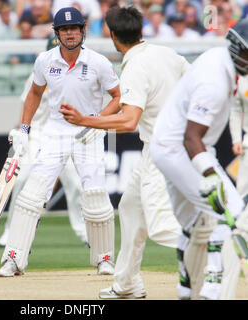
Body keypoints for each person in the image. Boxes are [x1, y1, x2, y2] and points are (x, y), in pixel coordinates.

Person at [60, 5, 187, 299]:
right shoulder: (166, 54)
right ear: (140, 30)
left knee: (161, 228)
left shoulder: (134, 67)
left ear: (113, 35)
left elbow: (129, 121)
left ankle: (217, 245)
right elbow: (184, 86)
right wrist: (94, 120)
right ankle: (127, 283)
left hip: (162, 152)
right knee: (130, 208)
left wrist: (86, 120)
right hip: (168, 147)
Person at [0, 6, 120, 277]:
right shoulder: (45, 61)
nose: (70, 34)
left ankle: (105, 259)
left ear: (82, 30)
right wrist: (24, 130)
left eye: (74, 28)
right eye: (65, 30)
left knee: (95, 195)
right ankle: (13, 259)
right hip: (55, 132)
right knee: (32, 195)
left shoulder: (98, 62)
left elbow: (118, 96)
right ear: (57, 34)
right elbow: (34, 94)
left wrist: (95, 120)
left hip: (89, 134)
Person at [149, 19, 248, 300]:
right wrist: (211, 175)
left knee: (197, 223)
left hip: (172, 145)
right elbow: (191, 137)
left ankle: (187, 290)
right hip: (178, 148)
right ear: (238, 49)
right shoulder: (214, 82)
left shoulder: (220, 58)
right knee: (236, 215)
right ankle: (217, 293)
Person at [0, 36, 88, 248]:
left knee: (76, 183)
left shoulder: (79, 75)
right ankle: (11, 231)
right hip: (37, 134)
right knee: (21, 181)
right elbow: (28, 104)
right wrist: (23, 132)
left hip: (65, 135)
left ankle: (85, 233)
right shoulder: (37, 73)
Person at [229, 74, 248, 201]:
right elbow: (235, 109)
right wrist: (236, 139)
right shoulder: (241, 77)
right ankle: (242, 220)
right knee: (243, 189)